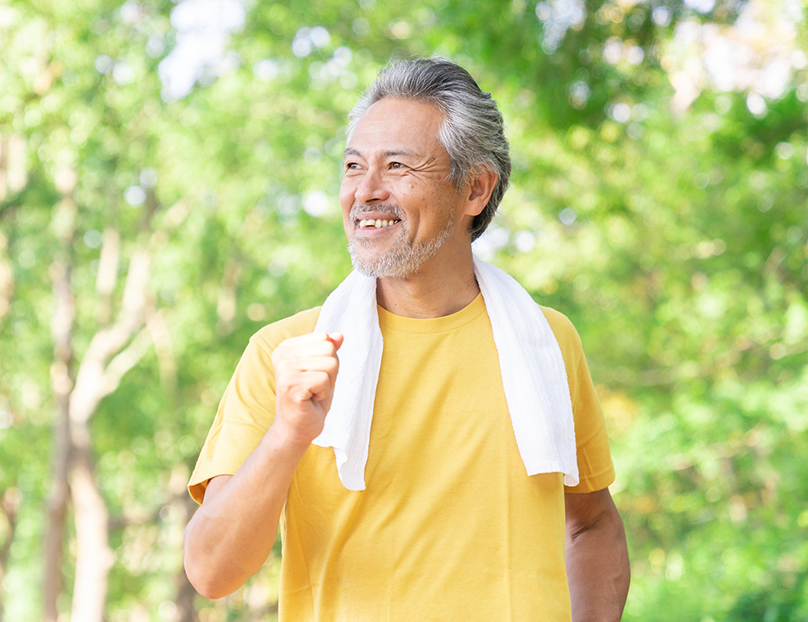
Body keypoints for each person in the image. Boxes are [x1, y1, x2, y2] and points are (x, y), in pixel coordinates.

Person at [182, 57, 630, 621]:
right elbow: (210, 571)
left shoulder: (547, 341)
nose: (365, 192)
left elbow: (590, 522)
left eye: (397, 166)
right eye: (352, 167)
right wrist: (288, 433)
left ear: (474, 188)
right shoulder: (286, 354)